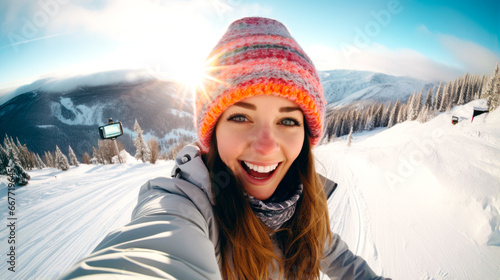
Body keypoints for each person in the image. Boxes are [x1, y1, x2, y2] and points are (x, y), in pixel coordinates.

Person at [61, 17, 389, 280]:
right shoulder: (186, 205)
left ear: (307, 136)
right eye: (241, 116)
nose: (265, 145)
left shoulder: (303, 205)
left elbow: (341, 259)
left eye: (288, 121)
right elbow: (153, 253)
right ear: (213, 131)